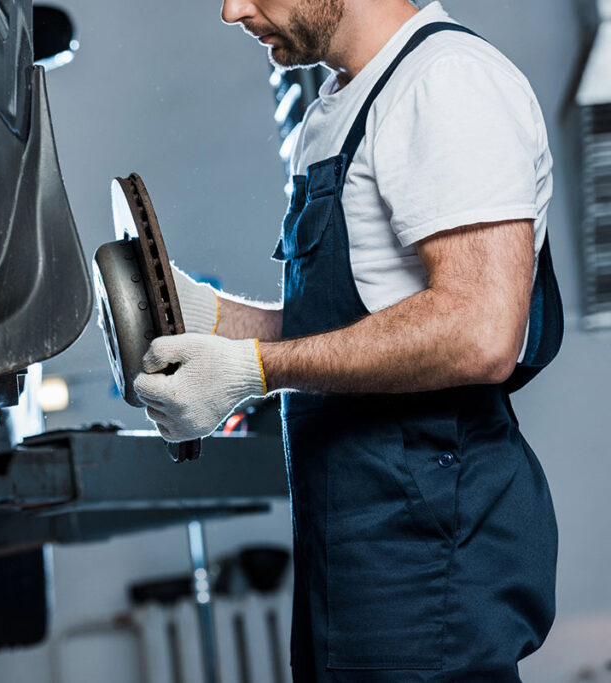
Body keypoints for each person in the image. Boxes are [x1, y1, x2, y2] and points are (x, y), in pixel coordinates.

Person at [133, 0, 564, 680]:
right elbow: (355, 325)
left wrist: (254, 370)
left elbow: (479, 330)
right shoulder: (334, 111)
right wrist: (212, 318)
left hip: (428, 548)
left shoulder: (445, 84)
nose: (231, 10)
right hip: (354, 543)